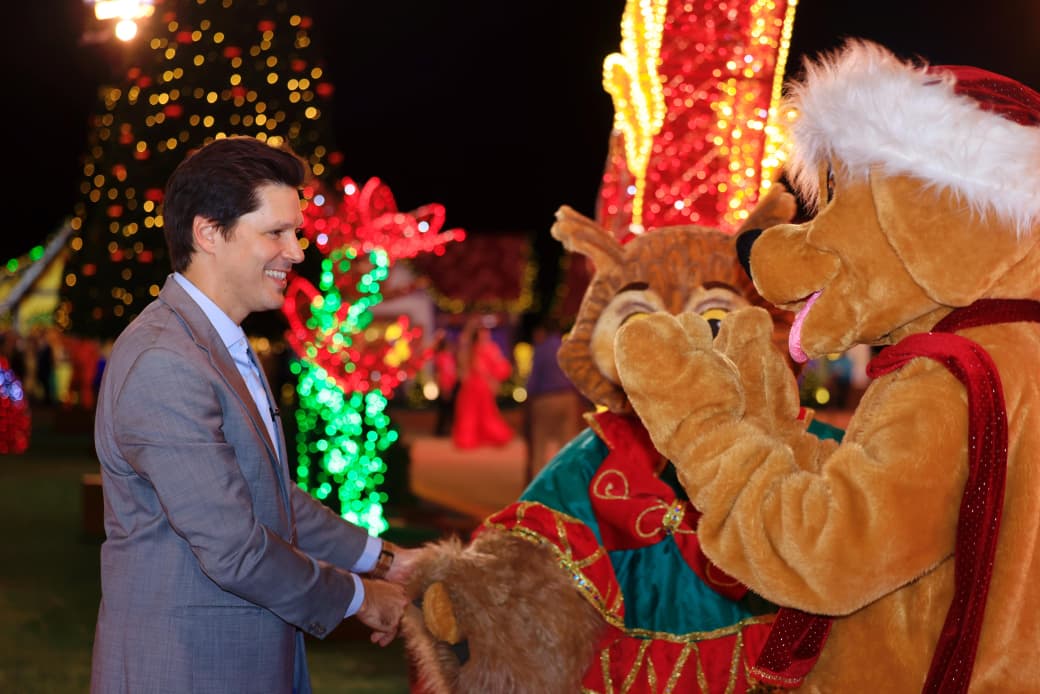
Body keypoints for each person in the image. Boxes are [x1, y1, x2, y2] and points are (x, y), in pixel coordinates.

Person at [91, 136, 420, 694]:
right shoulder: (165, 362)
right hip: (186, 671)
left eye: (295, 232)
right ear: (208, 233)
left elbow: (270, 495)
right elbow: (234, 548)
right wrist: (361, 597)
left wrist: (386, 561)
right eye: (276, 232)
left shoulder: (217, 342)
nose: (295, 251)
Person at [523, 319, 584, 482]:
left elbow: (534, 379)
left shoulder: (541, 349)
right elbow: (577, 376)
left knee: (540, 443)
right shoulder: (567, 348)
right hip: (567, 397)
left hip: (545, 399)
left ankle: (538, 487)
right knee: (567, 442)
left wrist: (528, 399)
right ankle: (567, 481)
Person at [451, 316, 514, 449]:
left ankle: (473, 438)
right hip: (475, 386)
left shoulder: (486, 349)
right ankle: (470, 438)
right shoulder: (474, 349)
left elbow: (498, 368)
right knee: (475, 413)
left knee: (479, 414)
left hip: (478, 386)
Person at [429, 328, 457, 436]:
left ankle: (448, 429)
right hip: (444, 386)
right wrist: (443, 387)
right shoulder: (441, 357)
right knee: (443, 410)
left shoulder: (449, 357)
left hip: (451, 386)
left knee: (450, 410)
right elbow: (440, 374)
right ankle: (440, 430)